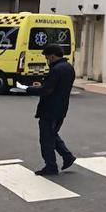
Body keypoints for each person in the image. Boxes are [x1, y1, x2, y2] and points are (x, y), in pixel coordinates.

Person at [30, 44, 76, 176]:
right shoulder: (69, 68)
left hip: (50, 109)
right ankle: (67, 156)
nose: (46, 59)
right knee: (52, 134)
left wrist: (30, 89)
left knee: (46, 139)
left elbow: (48, 90)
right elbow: (55, 86)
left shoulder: (56, 69)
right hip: (61, 108)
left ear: (52, 55)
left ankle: (51, 166)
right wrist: (43, 85)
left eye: (47, 57)